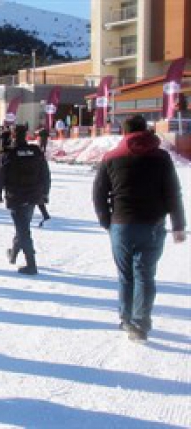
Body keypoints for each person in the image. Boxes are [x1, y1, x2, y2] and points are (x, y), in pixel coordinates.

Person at [93, 115, 186, 341]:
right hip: (153, 224)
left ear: (124, 133)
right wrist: (178, 225)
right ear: (146, 131)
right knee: (145, 275)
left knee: (126, 276)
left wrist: (107, 221)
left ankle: (126, 319)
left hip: (122, 224)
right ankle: (140, 323)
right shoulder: (161, 157)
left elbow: (98, 194)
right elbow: (172, 192)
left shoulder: (111, 157)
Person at [0, 125, 51, 275]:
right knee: (23, 226)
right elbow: (46, 173)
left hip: (16, 196)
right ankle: (13, 254)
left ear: (13, 135)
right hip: (33, 196)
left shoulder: (7, 153)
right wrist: (45, 193)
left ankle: (31, 264)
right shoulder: (35, 151)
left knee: (23, 230)